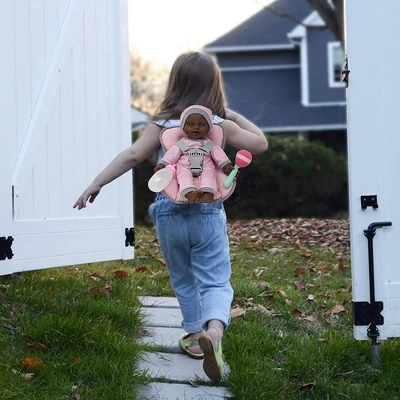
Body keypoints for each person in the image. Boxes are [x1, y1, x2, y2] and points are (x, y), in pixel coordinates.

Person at [73, 51, 268, 382]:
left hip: (169, 214)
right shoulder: (219, 125)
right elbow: (260, 143)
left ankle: (194, 336)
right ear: (214, 85)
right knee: (215, 280)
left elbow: (133, 155)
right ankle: (214, 330)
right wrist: (229, 114)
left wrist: (97, 182)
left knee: (183, 277)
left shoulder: (164, 123)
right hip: (207, 213)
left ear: (175, 83)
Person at [155, 104, 233, 203]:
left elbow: (219, 155)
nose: (196, 128)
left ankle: (208, 193)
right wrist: (163, 164)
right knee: (183, 177)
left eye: (201, 125)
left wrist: (226, 165)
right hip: (184, 166)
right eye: (191, 124)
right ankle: (189, 193)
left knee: (209, 176)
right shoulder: (181, 144)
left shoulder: (209, 144)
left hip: (206, 165)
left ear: (209, 127)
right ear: (183, 127)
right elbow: (172, 154)